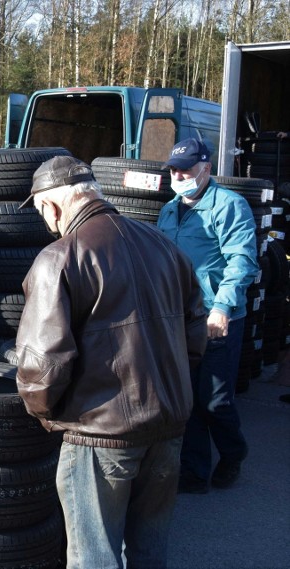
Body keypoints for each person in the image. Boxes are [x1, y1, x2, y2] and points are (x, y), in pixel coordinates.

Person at [14, 155, 207, 569]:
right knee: (150, 552)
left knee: (93, 558)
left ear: (51, 206)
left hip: (99, 437)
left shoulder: (58, 257)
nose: (47, 225)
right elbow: (195, 334)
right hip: (168, 426)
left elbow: (42, 368)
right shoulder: (163, 245)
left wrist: (48, 415)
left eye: (42, 214)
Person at [157, 138, 259, 494]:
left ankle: (234, 452)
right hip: (182, 319)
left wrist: (222, 307)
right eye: (173, 169)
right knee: (187, 396)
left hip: (218, 318)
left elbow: (242, 260)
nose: (179, 175)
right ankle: (195, 472)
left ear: (206, 169)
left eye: (186, 169)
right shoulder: (169, 210)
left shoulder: (230, 205)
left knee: (214, 400)